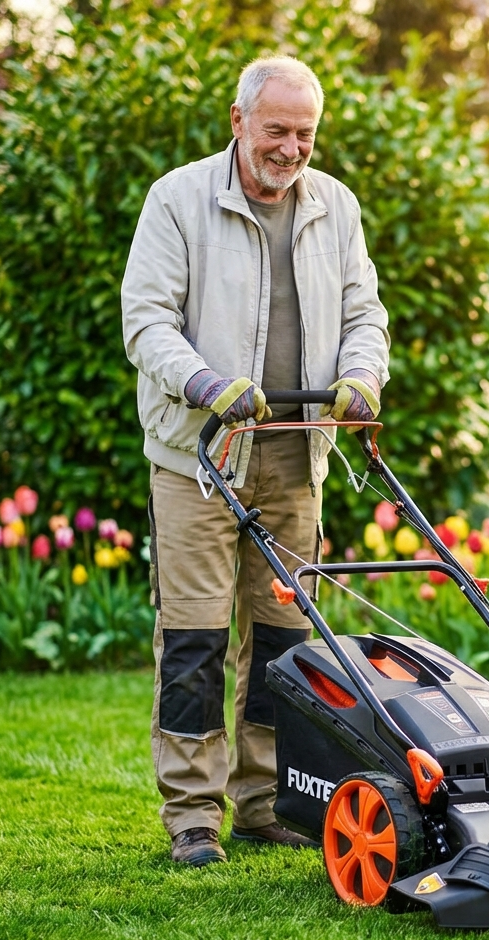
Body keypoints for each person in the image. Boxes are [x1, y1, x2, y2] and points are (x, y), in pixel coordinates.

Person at [121, 55, 389, 867]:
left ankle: (264, 801)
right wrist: (205, 383)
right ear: (238, 121)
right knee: (197, 641)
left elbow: (362, 312)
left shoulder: (334, 206)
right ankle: (193, 816)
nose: (291, 148)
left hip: (295, 453)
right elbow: (146, 322)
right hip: (201, 456)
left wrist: (360, 376)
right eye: (277, 130)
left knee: (283, 642)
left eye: (305, 133)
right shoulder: (178, 200)